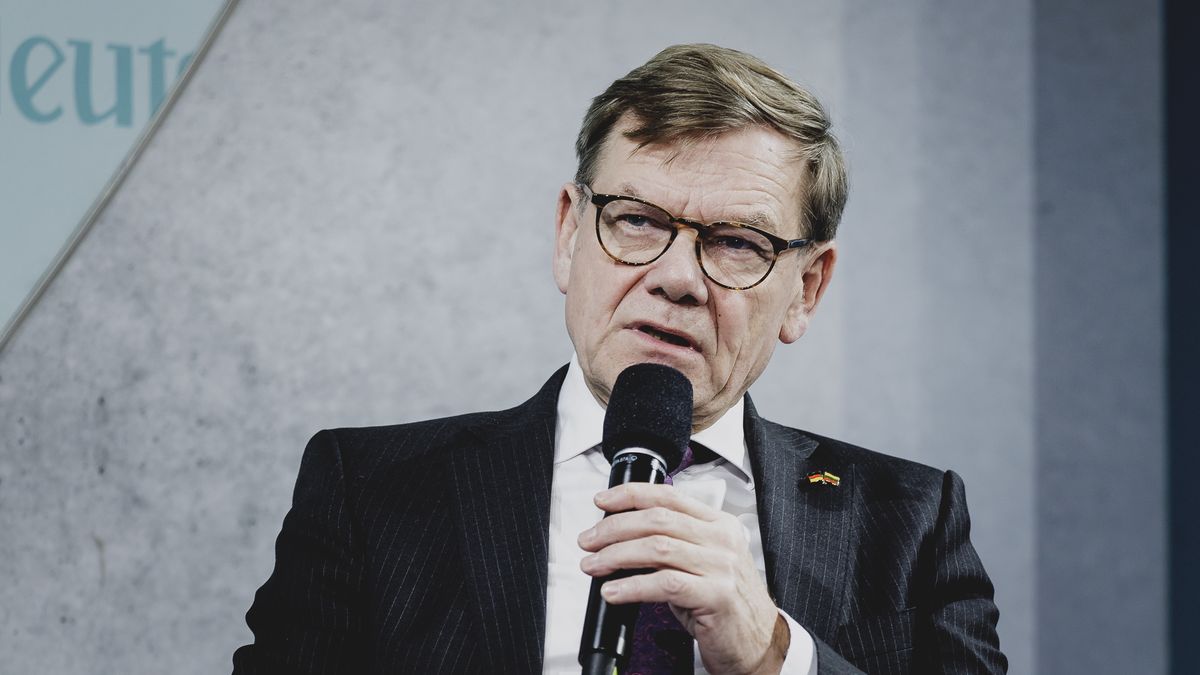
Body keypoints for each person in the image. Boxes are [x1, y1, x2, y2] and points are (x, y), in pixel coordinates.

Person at [233, 44, 1006, 675]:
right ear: (570, 233)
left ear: (806, 288)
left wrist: (776, 655)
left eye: (737, 242)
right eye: (637, 220)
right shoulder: (370, 491)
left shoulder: (910, 521)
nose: (675, 278)